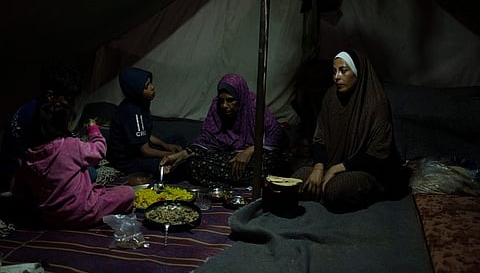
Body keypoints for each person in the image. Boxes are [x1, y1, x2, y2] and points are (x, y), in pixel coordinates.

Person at [293, 49, 408, 213]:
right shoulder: (331, 97)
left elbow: (378, 155)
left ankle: (333, 191)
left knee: (336, 190)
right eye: (334, 72)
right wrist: (319, 168)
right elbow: (320, 139)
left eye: (343, 71)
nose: (336, 77)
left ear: (357, 72)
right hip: (332, 164)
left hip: (366, 170)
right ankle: (322, 188)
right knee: (296, 179)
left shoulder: (376, 104)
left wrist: (336, 169)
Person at [12, 101, 134, 228]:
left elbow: (17, 189)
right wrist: (94, 130)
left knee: (88, 173)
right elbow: (99, 150)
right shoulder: (69, 145)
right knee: (128, 192)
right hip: (83, 212)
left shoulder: (28, 155)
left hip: (51, 217)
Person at [161, 73, 290, 187]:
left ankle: (238, 179)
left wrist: (251, 150)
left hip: (258, 155)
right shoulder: (216, 107)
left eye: (230, 100)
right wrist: (182, 154)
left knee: (277, 162)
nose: (224, 105)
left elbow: (276, 135)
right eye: (221, 100)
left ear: (240, 98)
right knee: (194, 164)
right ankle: (243, 180)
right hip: (229, 156)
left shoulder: (254, 106)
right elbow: (208, 139)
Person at [0, 63, 83, 194]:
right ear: (50, 96)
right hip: (16, 175)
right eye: (68, 99)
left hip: (25, 165)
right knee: (87, 173)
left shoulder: (37, 105)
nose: (72, 104)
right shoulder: (38, 119)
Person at [107, 67, 183, 177]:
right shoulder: (132, 112)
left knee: (178, 140)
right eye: (146, 86)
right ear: (135, 91)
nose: (152, 87)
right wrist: (171, 155)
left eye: (150, 83)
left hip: (139, 150)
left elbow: (144, 134)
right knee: (170, 169)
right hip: (128, 161)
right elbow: (145, 151)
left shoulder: (140, 103)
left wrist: (165, 145)